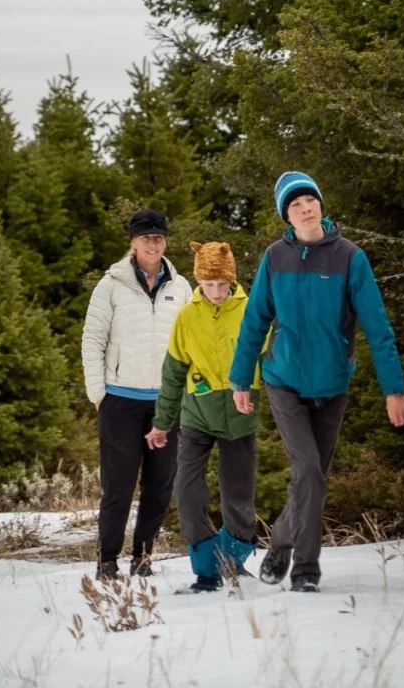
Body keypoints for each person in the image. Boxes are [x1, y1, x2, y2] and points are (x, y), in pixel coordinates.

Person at [229, 171, 404, 593]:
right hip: (284, 380)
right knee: (309, 469)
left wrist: (394, 389)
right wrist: (242, 379)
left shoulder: (350, 257)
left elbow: (377, 325)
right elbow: (255, 320)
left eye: (309, 199)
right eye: (295, 204)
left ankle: (280, 542)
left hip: (332, 385)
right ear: (286, 215)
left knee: (314, 478)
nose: (305, 207)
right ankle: (306, 570)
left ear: (320, 205)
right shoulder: (275, 257)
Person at [81, 208, 191, 580]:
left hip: (166, 402)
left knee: (159, 487)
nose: (153, 243)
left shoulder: (181, 287)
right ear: (133, 242)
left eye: (159, 237)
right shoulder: (111, 285)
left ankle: (142, 558)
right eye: (146, 237)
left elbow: (190, 343)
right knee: (118, 487)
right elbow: (92, 339)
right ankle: (107, 560)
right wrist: (98, 393)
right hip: (120, 401)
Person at [146, 241, 260, 593]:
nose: (215, 292)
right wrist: (162, 422)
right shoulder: (187, 316)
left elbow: (274, 358)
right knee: (186, 489)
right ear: (199, 282)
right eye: (208, 285)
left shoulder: (253, 311)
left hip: (241, 414)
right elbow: (173, 373)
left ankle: (234, 558)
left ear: (232, 281)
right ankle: (206, 569)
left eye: (221, 285)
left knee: (237, 493)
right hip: (196, 413)